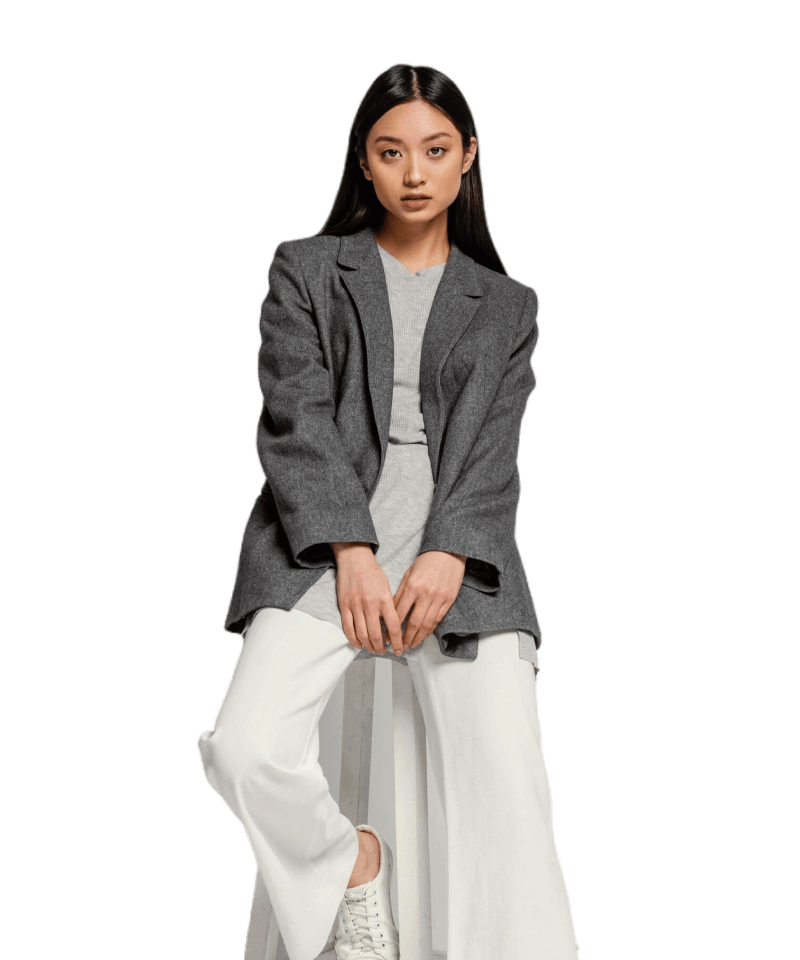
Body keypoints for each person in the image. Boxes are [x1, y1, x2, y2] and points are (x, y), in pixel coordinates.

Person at [197, 63, 579, 960]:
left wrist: (450, 552)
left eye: (435, 151)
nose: (414, 173)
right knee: (243, 748)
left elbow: (494, 453)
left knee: (508, 791)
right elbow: (294, 417)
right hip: (320, 553)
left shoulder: (509, 305)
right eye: (391, 151)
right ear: (363, 162)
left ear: (468, 158)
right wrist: (352, 550)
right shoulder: (306, 268)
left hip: (463, 565)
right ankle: (350, 865)